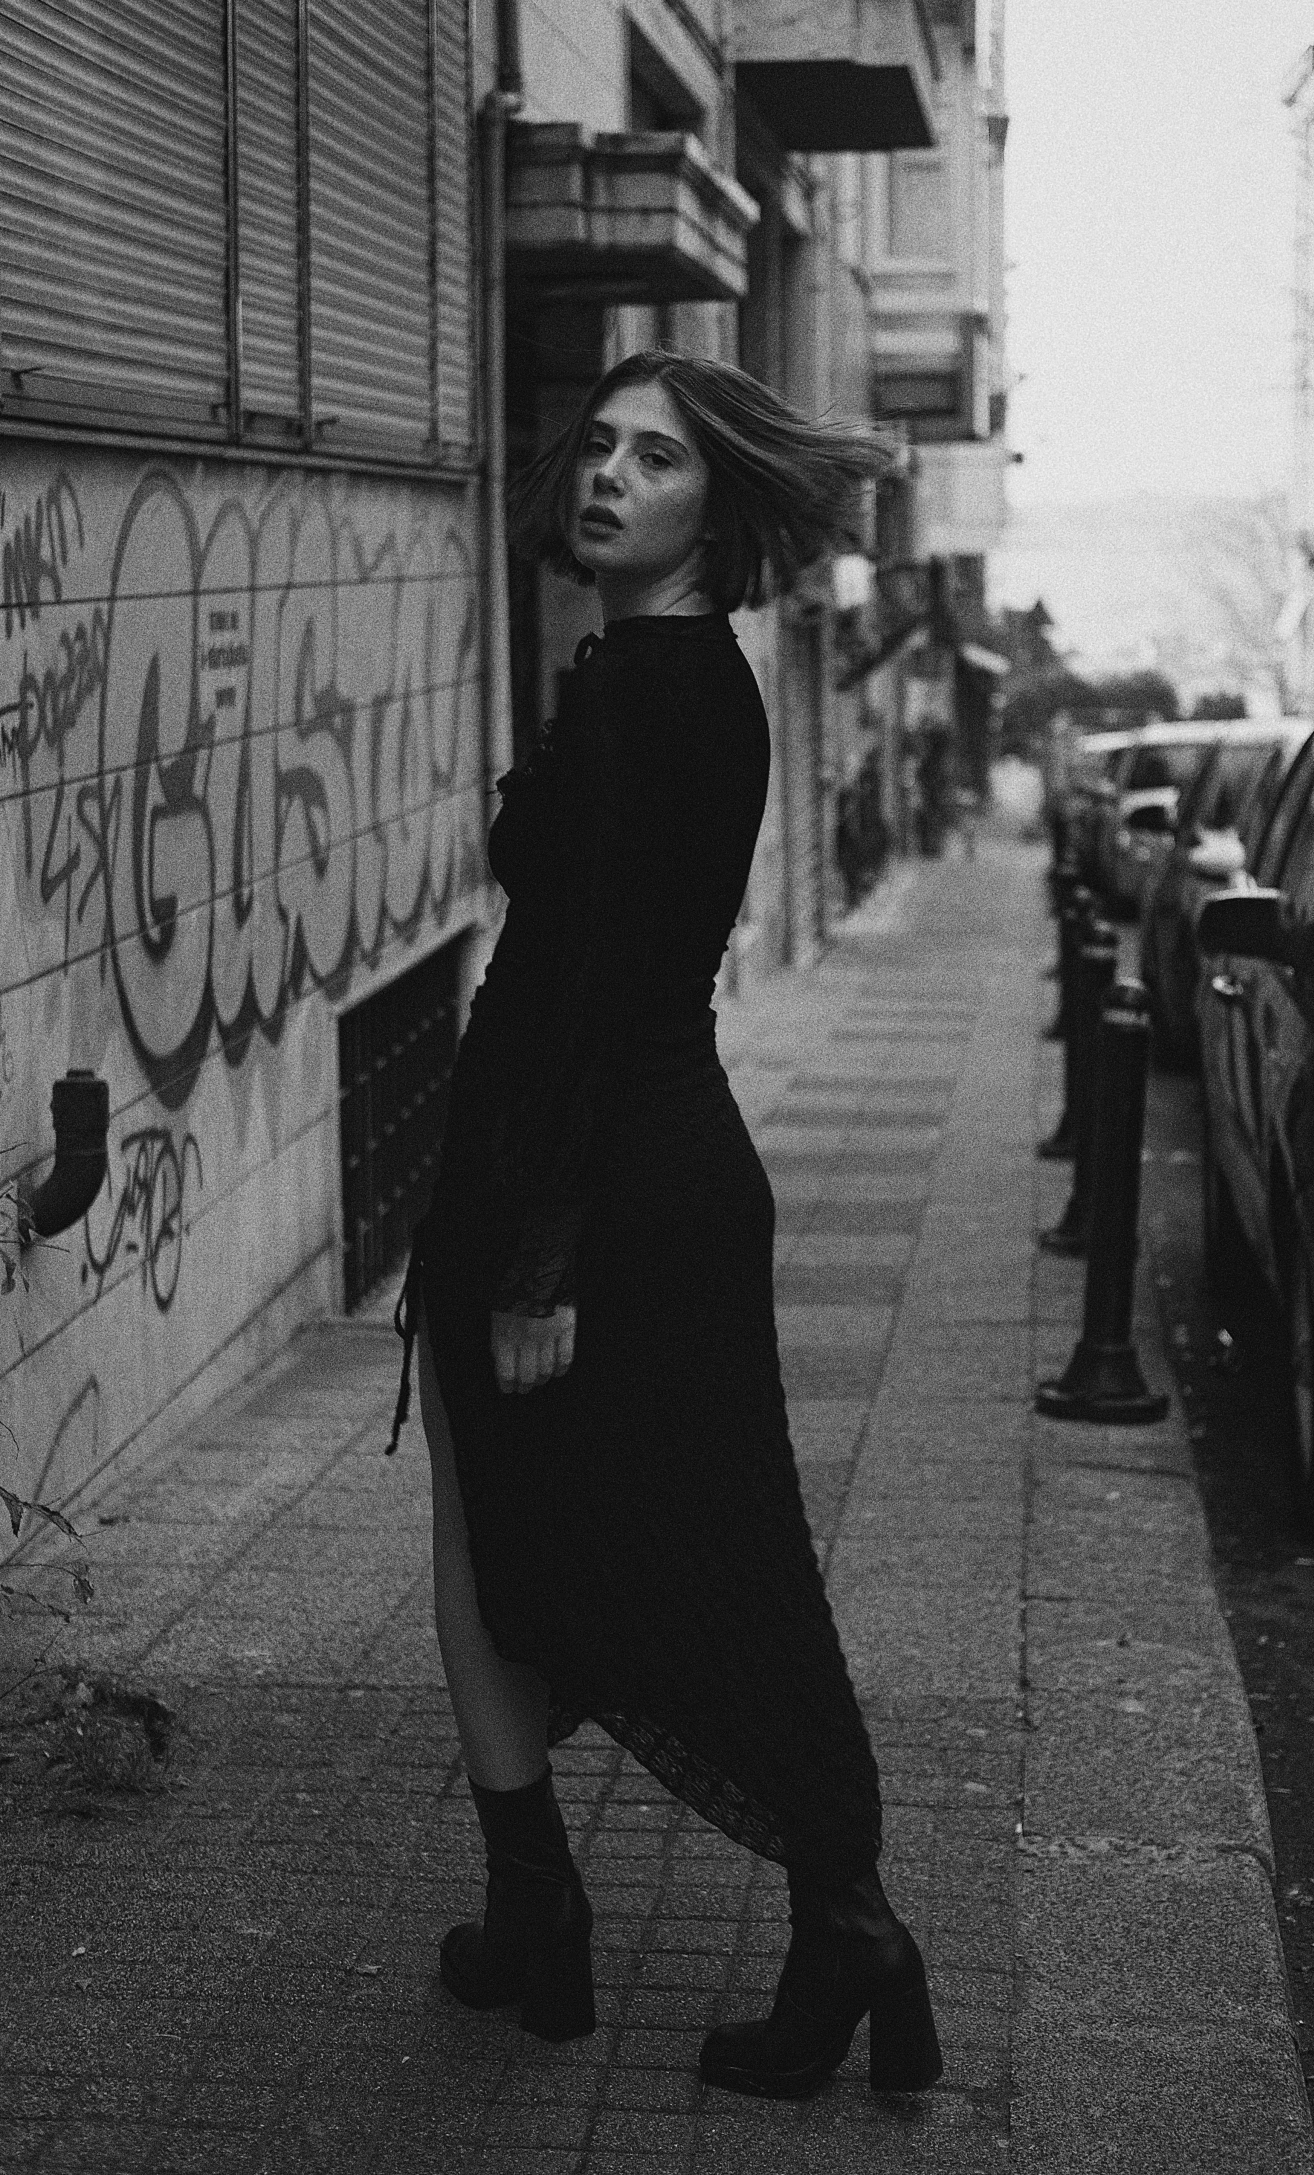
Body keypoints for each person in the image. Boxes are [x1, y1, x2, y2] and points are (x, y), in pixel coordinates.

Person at [389, 350, 943, 2101]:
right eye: (599, 443)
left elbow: (605, 986)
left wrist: (542, 1251)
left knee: (697, 1566)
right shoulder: (657, 670)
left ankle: (822, 1924)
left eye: (657, 458)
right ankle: (551, 1914)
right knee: (540, 1530)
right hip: (612, 1164)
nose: (608, 476)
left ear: (721, 508)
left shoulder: (660, 694)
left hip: (602, 1184)